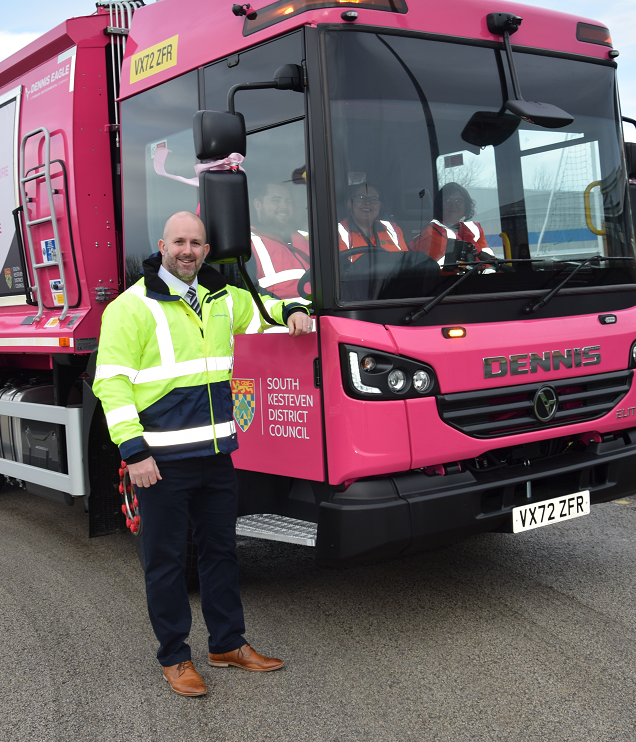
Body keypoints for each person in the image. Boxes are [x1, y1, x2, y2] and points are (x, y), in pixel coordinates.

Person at [94, 211, 312, 697]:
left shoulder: (223, 298)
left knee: (221, 553)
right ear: (162, 247)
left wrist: (294, 310)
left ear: (206, 250)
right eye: (178, 242)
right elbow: (112, 384)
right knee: (167, 561)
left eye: (195, 243)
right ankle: (174, 656)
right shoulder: (131, 308)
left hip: (215, 456)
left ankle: (227, 644)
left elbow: (266, 310)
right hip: (161, 462)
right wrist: (134, 452)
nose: (187, 251)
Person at [249, 182, 311, 299]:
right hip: (277, 310)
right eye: (276, 200)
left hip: (321, 308)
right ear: (258, 205)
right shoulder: (248, 243)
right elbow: (245, 293)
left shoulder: (307, 238)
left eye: (288, 202)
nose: (284, 207)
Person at [412, 182, 496, 267]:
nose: (453, 205)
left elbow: (489, 261)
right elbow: (447, 267)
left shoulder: (475, 229)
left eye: (459, 201)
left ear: (466, 205)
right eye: (447, 201)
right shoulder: (430, 231)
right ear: (439, 205)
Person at [337, 183, 408, 259]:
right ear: (350, 203)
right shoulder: (337, 232)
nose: (367, 203)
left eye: (374, 199)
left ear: (380, 206)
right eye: (361, 197)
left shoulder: (393, 229)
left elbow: (405, 262)